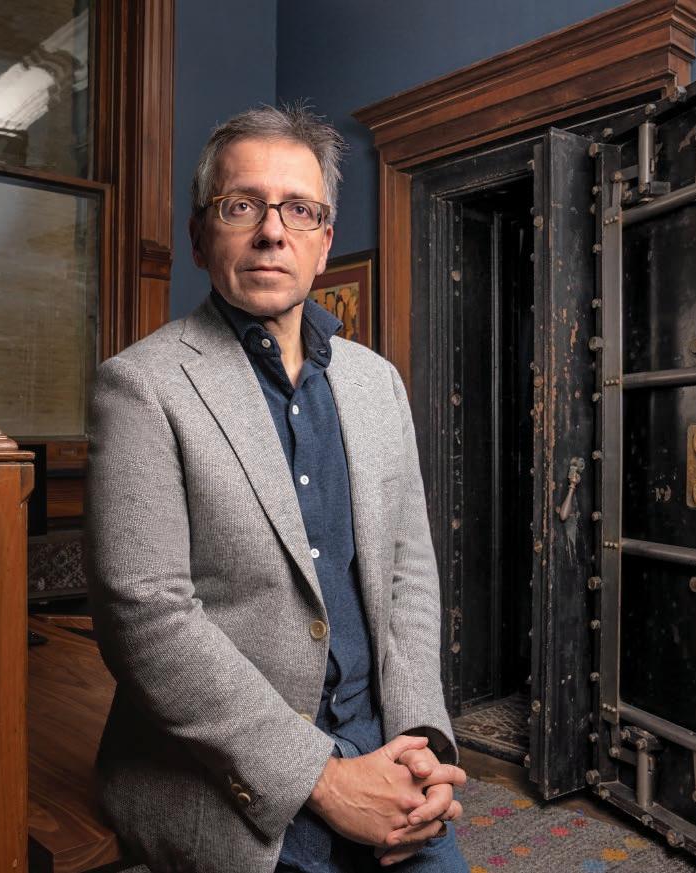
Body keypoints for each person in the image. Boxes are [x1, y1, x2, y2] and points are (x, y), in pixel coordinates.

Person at [86, 104, 469, 873]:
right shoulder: (140, 387)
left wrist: (421, 738)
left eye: (299, 209)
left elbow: (409, 574)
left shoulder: (378, 383)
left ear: (324, 242)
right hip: (232, 786)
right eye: (241, 206)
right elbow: (146, 618)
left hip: (384, 749)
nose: (272, 231)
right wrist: (323, 780)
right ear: (200, 237)